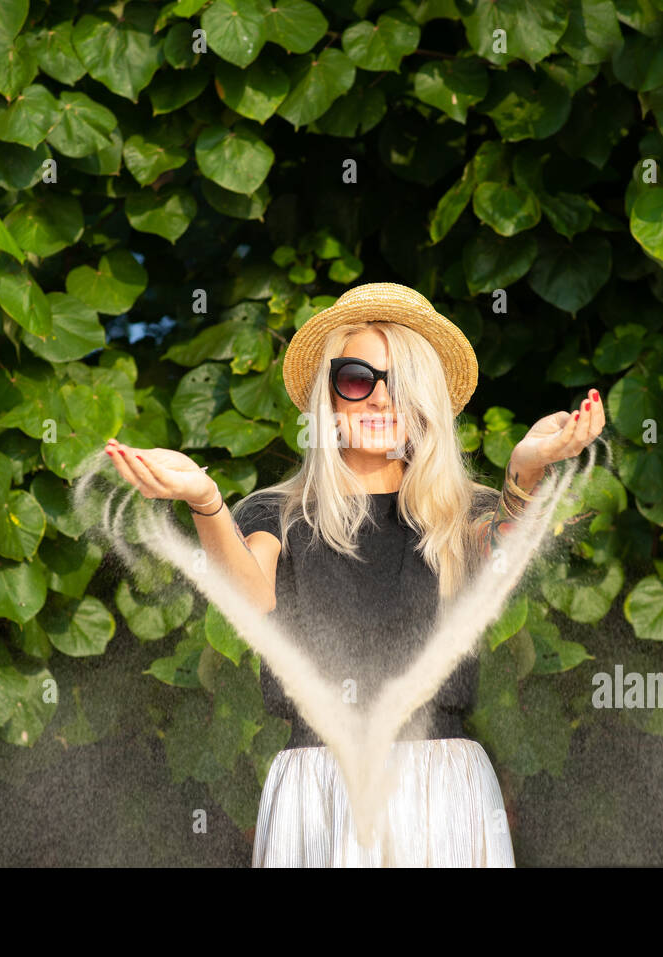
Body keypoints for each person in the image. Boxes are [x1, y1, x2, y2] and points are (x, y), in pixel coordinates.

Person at [104, 282, 605, 866]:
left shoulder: (463, 514)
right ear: (330, 398)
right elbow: (247, 594)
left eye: (403, 383)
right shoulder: (277, 512)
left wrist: (524, 472)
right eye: (357, 379)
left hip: (441, 786)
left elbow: (500, 557)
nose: (378, 400)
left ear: (428, 404)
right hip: (318, 786)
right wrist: (206, 500)